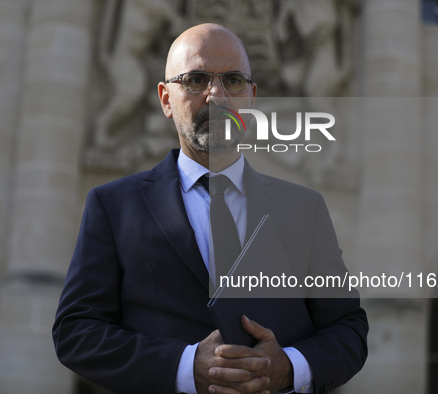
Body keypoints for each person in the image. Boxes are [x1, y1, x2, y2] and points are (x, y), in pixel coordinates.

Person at [53, 23, 368, 394]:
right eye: (196, 79)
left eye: (233, 81)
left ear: (251, 98)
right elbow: (76, 332)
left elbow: (348, 329)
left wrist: (289, 367)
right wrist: (187, 366)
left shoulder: (305, 209)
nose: (216, 95)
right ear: (166, 99)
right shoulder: (113, 207)